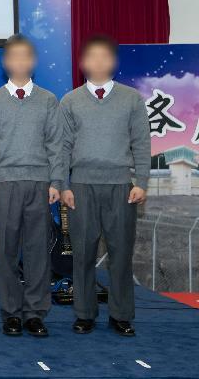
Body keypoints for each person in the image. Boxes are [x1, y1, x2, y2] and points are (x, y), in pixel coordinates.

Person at [61, 34, 150, 337]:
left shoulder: (131, 99)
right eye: (92, 57)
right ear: (83, 63)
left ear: (113, 62)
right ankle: (84, 313)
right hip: (82, 187)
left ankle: (121, 315)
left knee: (120, 254)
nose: (98, 62)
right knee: (83, 254)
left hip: (121, 187)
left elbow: (141, 142)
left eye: (104, 57)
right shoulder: (70, 101)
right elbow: (61, 147)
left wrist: (141, 181)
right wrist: (63, 184)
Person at [0, 34, 63, 337]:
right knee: (7, 251)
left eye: (26, 56)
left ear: (33, 61)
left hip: (39, 183)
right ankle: (11, 313)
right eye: (14, 56)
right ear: (6, 62)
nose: (20, 62)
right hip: (3, 184)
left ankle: (35, 313)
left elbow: (56, 144)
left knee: (37, 251)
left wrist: (56, 180)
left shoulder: (49, 100)